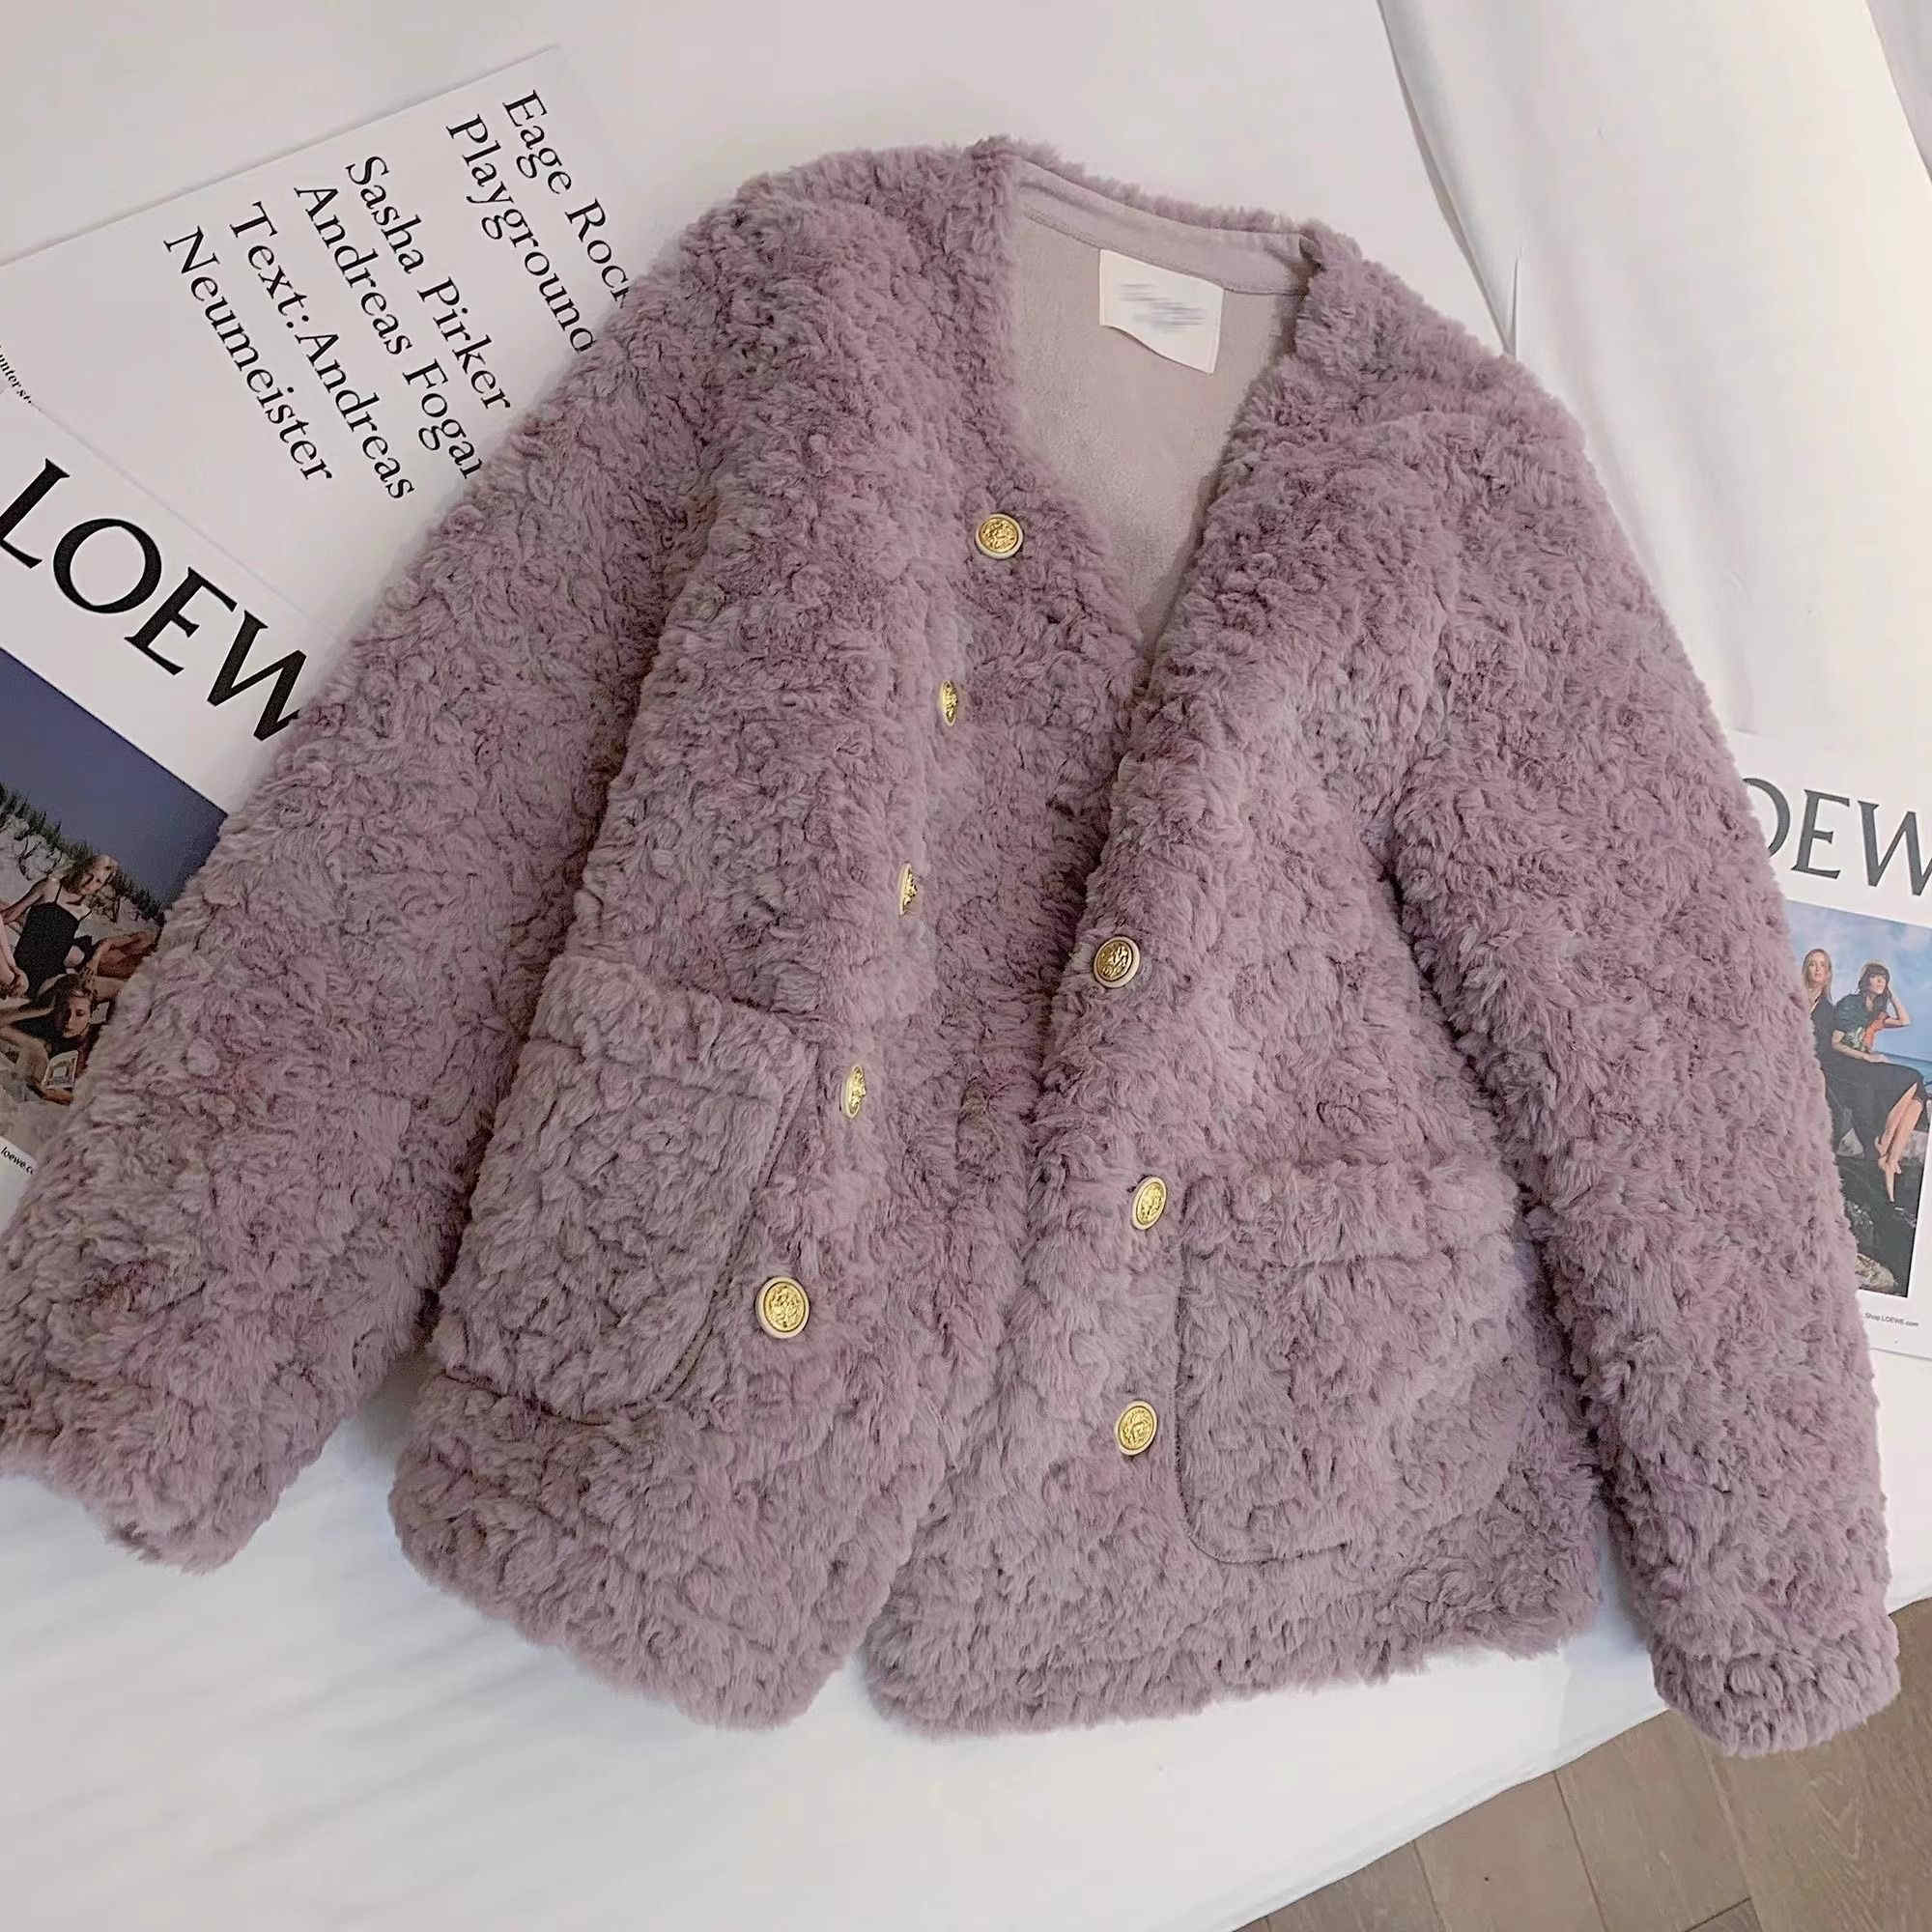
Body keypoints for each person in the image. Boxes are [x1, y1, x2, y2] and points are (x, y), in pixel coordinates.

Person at [1829, 959, 1924, 1200]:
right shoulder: (1850, 1004)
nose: (1881, 981)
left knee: (1919, 1093)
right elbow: (1835, 1044)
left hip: (1866, 1065)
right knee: (1913, 1077)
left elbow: (1905, 1021)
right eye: (1876, 976)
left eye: (1885, 978)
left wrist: (1891, 994)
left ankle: (1891, 1160)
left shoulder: (1878, 1014)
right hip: (1847, 1066)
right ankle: (1884, 1140)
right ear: (1865, 981)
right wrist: (1867, 1057)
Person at [0, 852, 117, 1000]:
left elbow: (55, 943)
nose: (90, 883)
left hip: (51, 977)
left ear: (100, 887)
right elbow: (8, 916)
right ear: (81, 868)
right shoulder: (49, 887)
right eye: (89, 874)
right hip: (23, 968)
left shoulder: (84, 912)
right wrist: (13, 965)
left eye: (98, 881)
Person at [0, 972, 99, 1104]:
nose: (69, 1021)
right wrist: (41, 1009)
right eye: (63, 1010)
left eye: (80, 1014)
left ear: (91, 1015)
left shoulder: (102, 1041)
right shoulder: (48, 1027)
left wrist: (68, 1098)